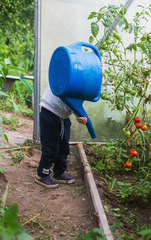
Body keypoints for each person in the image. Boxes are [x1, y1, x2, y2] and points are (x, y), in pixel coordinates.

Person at [35, 60, 104, 189]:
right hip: (50, 112)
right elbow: (66, 92)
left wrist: (80, 115)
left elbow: (74, 102)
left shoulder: (83, 83)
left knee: (63, 147)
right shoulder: (69, 72)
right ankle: (42, 174)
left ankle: (59, 173)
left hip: (64, 116)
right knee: (50, 147)